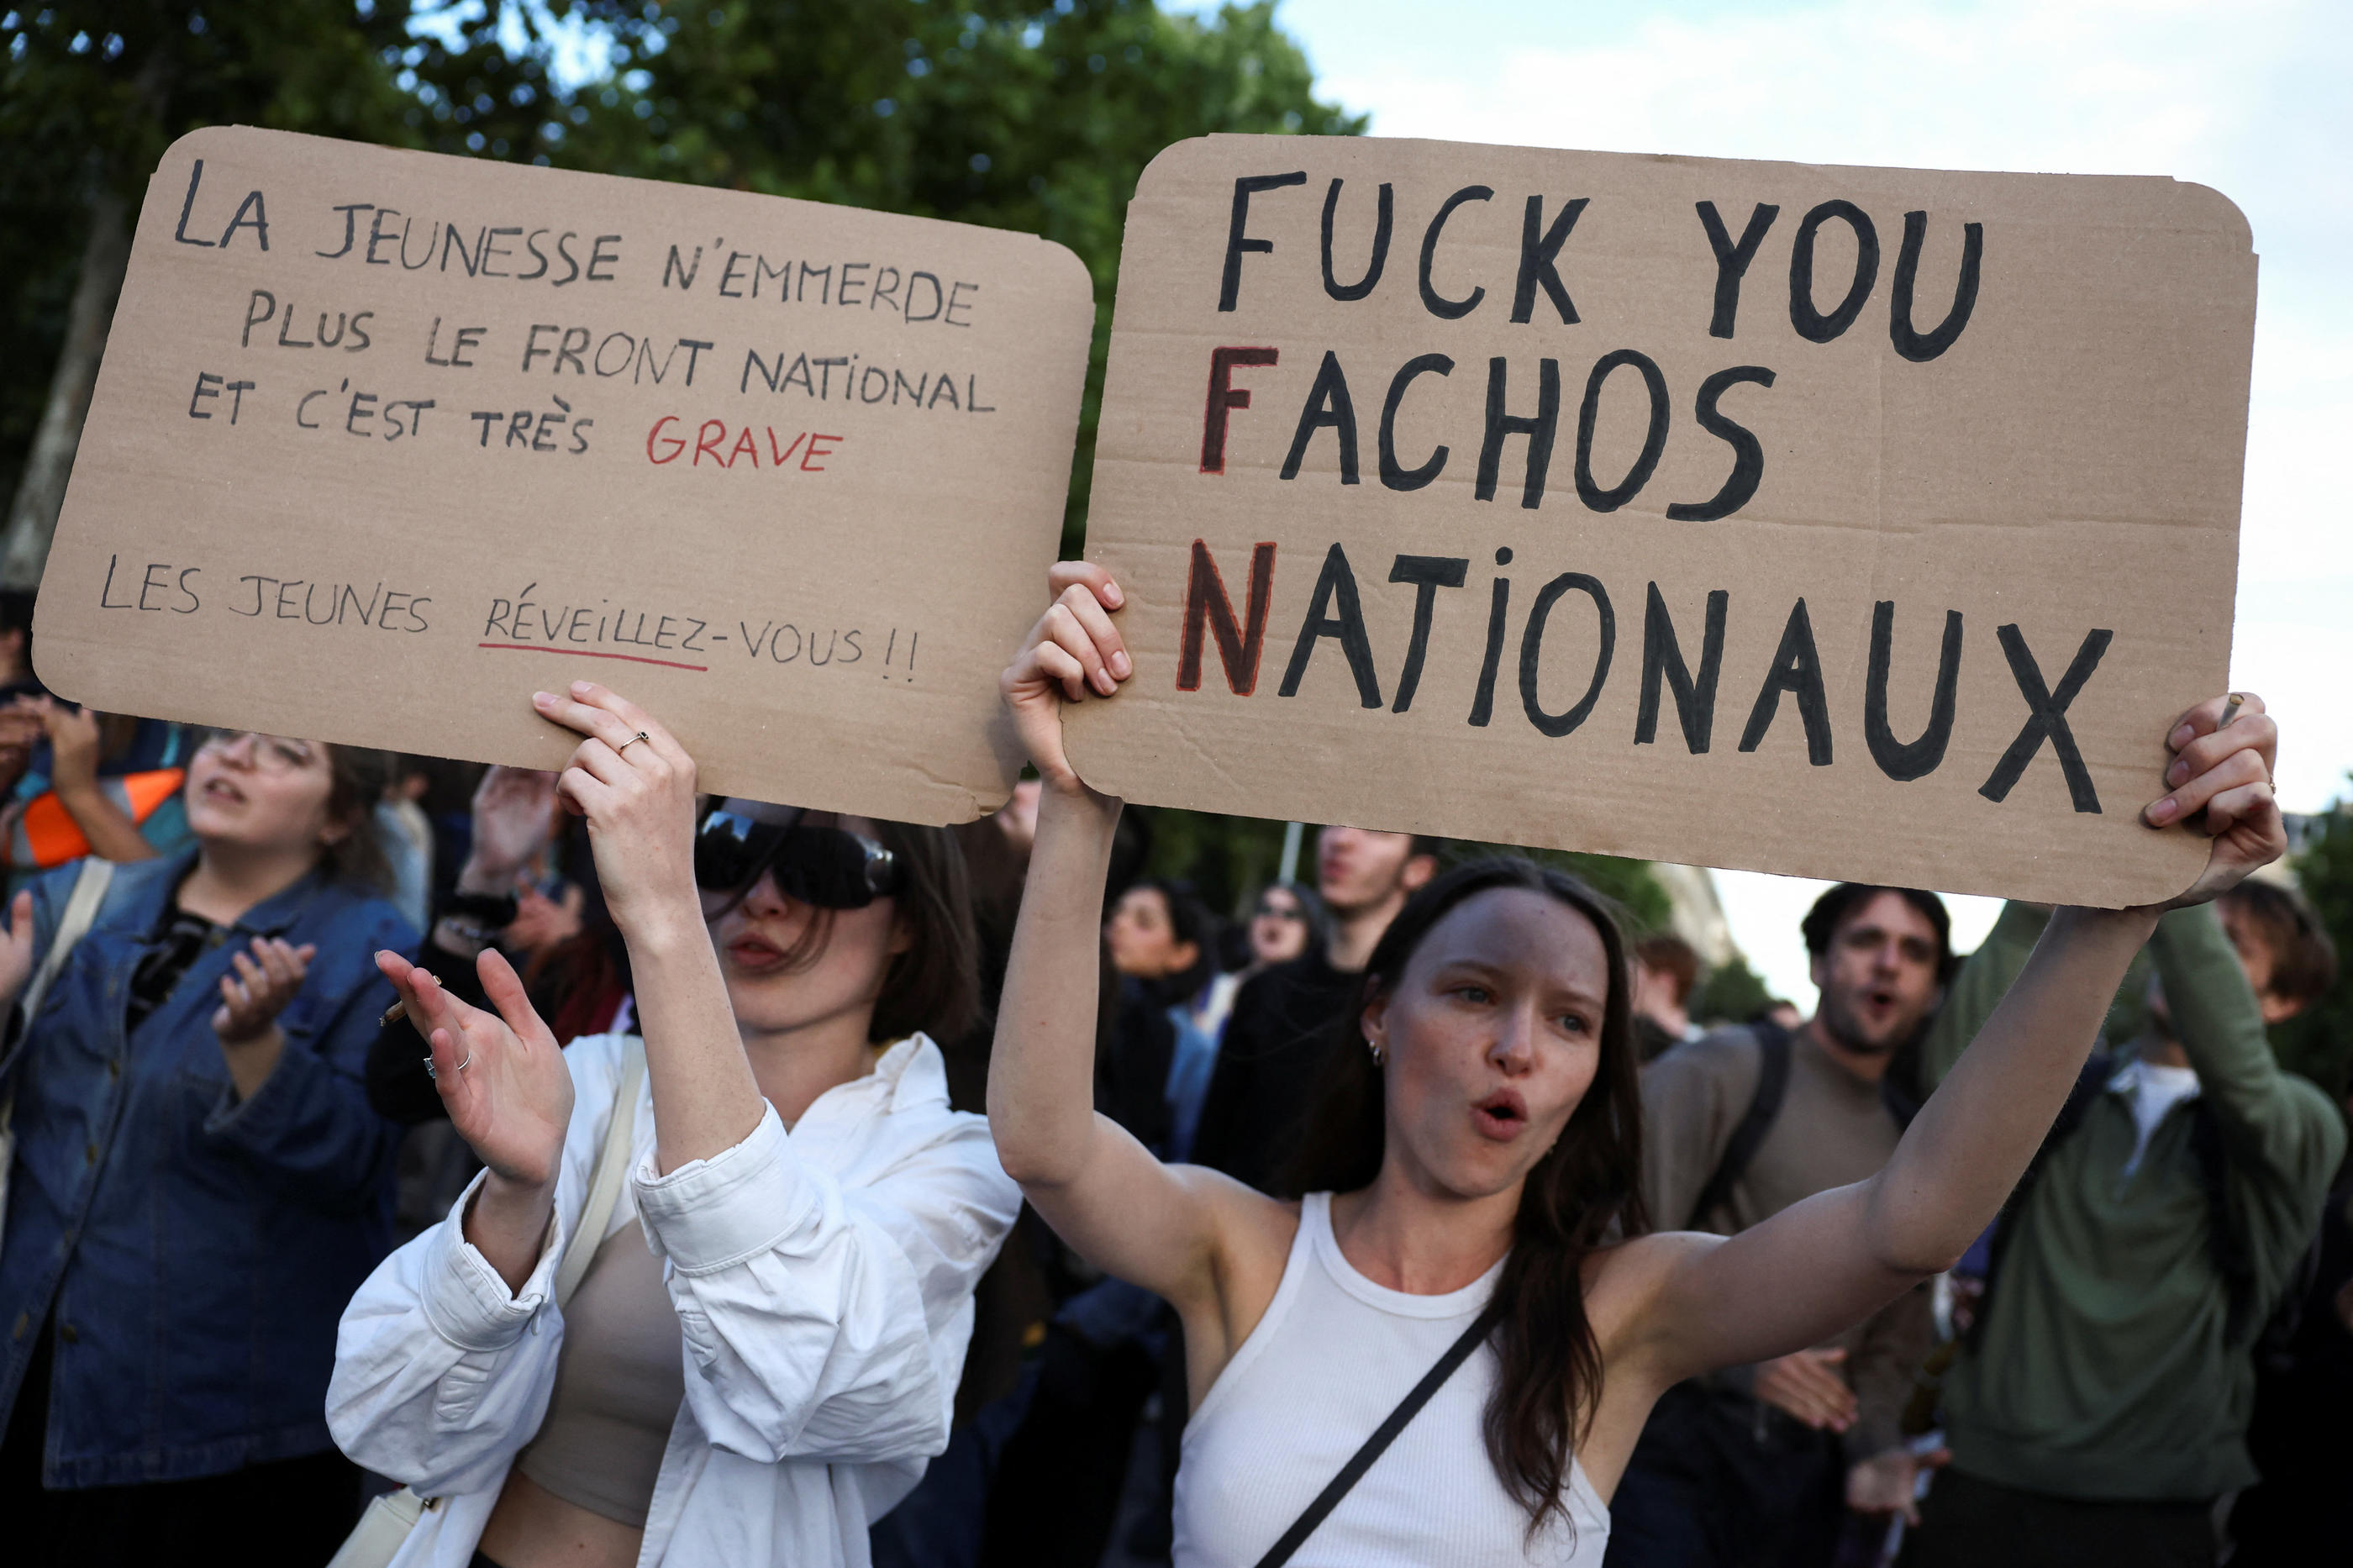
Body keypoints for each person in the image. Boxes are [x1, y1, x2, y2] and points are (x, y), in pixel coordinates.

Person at [987, 561, 2282, 1566]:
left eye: (1568, 1020)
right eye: (1476, 991)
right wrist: (1083, 799)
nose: (1514, 1044)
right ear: (1380, 1015)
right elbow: (1046, 1139)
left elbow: (1911, 1223)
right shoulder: (1240, 1248)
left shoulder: (1624, 1312)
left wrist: (2113, 911)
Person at [330, 684, 1022, 1568]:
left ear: (911, 922)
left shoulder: (949, 1161)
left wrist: (661, 910)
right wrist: (515, 1194)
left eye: (823, 869)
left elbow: (804, 1373)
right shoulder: (591, 1079)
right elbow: (390, 1424)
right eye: (726, 851)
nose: (765, 898)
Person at [0, 729, 413, 1567]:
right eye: (227, 738)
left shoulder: (376, 954)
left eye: (285, 753)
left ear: (338, 819)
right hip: (34, 1387)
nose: (235, 758)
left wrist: (258, 1048)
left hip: (221, 1435)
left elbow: (357, 1166)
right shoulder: (75, 900)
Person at [1898, 876, 2345, 1568]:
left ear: (2283, 1002)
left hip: (2152, 1514)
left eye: (2233, 947)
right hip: (1980, 1480)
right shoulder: (2073, 1091)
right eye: (2191, 931)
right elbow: (1955, 1078)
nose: (2186, 952)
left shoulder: (2298, 1124)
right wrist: (2044, 887)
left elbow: (2242, 1082)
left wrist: (2184, 877)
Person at [1609, 886, 1953, 1568]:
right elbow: (1615, 1251)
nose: (1888, 963)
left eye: (1914, 952)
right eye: (1865, 940)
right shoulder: (1726, 1068)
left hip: (1803, 1486)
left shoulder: (1918, 1145)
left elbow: (1894, 1336)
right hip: (1669, 1454)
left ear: (1934, 991)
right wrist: (1734, 1360)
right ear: (1820, 963)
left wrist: (1877, 1450)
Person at [1191, 827, 1439, 1192]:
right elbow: (1209, 1151)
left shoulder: (1426, 1009)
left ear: (1417, 869)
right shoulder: (1265, 991)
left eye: (1376, 829)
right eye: (1333, 819)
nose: (1341, 839)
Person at [1629, 933, 1703, 1063]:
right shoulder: (1693, 1052)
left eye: (1637, 969)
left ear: (1665, 981)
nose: (1629, 979)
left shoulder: (1633, 1040)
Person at [1244, 881, 1328, 976]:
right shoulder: (1225, 984)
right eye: (1266, 909)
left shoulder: (1319, 990)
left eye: (1289, 914)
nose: (1274, 919)